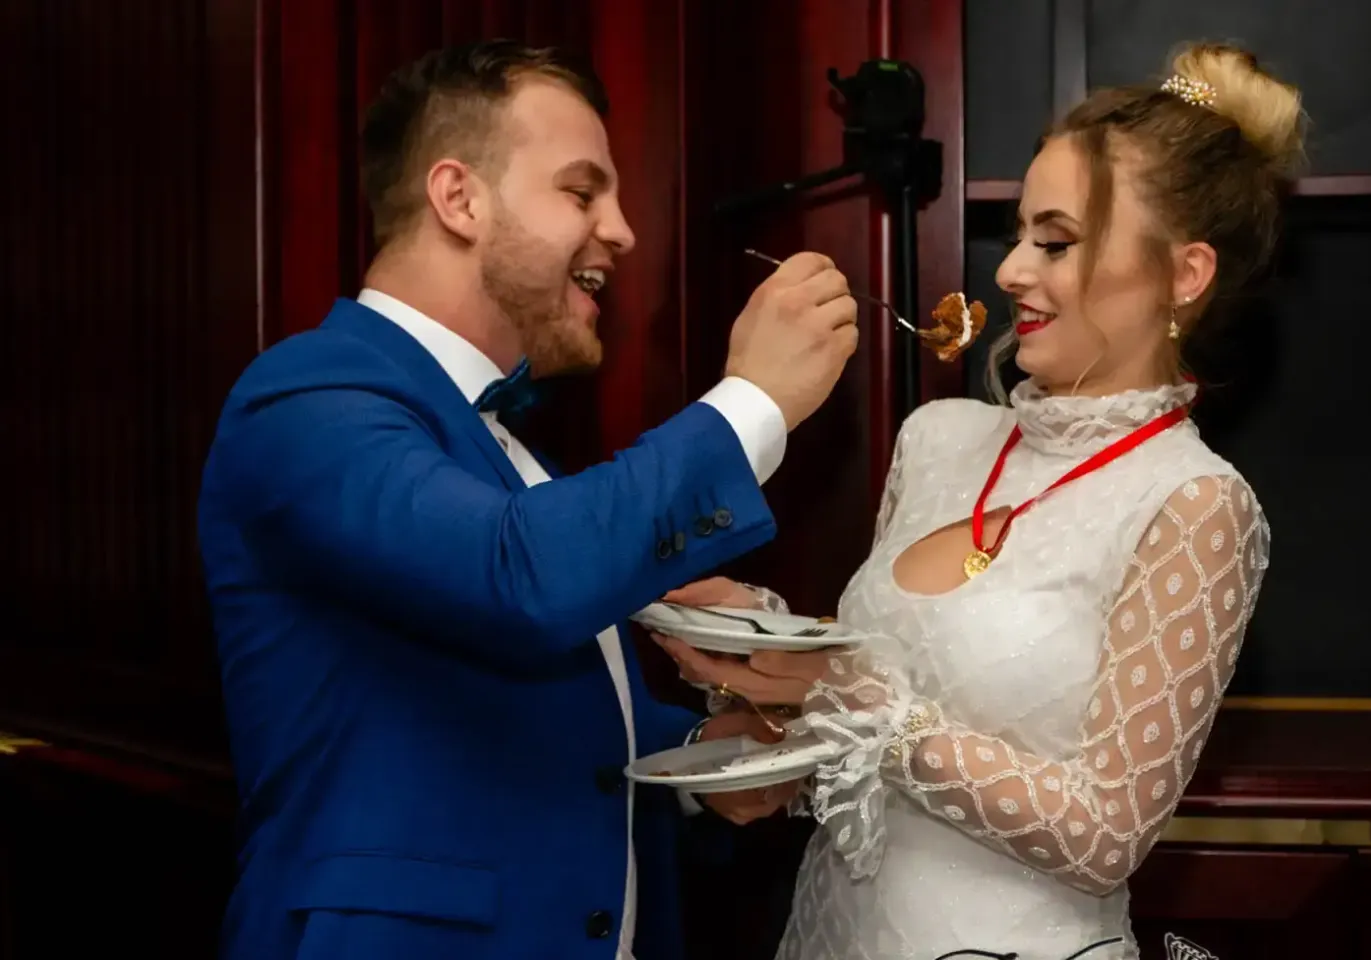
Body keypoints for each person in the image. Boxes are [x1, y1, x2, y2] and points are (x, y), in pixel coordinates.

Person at [196, 40, 857, 960]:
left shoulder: (506, 439)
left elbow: (513, 715)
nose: (622, 230)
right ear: (459, 198)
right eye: (583, 192)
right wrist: (753, 400)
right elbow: (516, 577)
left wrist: (709, 758)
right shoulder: (305, 395)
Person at [655, 42, 1302, 958]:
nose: (1010, 271)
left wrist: (853, 696)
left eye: (1058, 241)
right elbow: (878, 752)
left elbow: (1103, 835)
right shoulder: (939, 440)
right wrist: (760, 684)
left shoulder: (1193, 503)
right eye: (1018, 234)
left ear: (1182, 276)